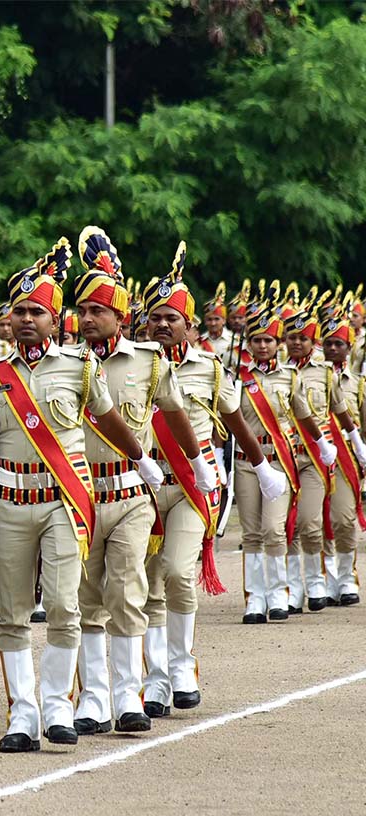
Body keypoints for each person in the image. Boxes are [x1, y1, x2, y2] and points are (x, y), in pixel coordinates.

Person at [0, 237, 163, 753]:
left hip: (63, 501)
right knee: (11, 612)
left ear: (56, 319)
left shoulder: (80, 367)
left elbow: (109, 418)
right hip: (7, 504)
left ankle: (57, 707)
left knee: (65, 606)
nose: (27, 320)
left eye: (38, 312)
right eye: (19, 311)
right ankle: (21, 714)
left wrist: (141, 458)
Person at [72, 233, 208, 736]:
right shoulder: (65, 363)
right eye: (81, 310)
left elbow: (175, 415)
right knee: (85, 596)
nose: (87, 319)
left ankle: (131, 693)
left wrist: (199, 463)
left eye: (97, 311)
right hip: (80, 494)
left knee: (130, 589)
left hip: (131, 493)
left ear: (120, 318)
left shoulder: (150, 361)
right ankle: (92, 697)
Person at [142, 262, 287, 717]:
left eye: (172, 318)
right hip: (142, 486)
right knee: (147, 586)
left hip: (193, 484)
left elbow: (235, 421)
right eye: (155, 317)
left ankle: (182, 665)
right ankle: (155, 680)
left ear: (188, 325)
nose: (162, 325)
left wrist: (262, 466)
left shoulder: (210, 367)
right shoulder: (130, 363)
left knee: (179, 573)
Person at [235, 284, 330, 624]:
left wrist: (323, 445)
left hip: (279, 461)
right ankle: (254, 599)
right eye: (256, 340)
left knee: (274, 529)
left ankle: (278, 594)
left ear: (277, 344)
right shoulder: (237, 378)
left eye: (268, 340)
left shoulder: (290, 377)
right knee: (250, 533)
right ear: (248, 344)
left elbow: (304, 416)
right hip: (246, 463)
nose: (262, 346)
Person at [280, 289, 361, 613]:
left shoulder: (329, 376)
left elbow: (349, 419)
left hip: (335, 455)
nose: (297, 343)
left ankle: (343, 578)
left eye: (304, 338)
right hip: (289, 455)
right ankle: (297, 586)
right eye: (292, 337)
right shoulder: (279, 372)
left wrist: (358, 447)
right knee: (292, 525)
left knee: (341, 519)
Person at [319, 304, 366, 606]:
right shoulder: (309, 379)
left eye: (339, 344)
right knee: (318, 519)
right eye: (328, 343)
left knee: (345, 519)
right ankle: (325, 577)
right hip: (316, 456)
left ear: (349, 349)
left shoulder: (359, 385)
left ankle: (347, 577)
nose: (333, 348)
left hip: (347, 458)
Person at [201, 284, 232, 360]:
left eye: (216, 319)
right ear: (205, 321)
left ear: (224, 320)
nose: (213, 323)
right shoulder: (199, 341)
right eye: (209, 319)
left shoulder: (233, 341)